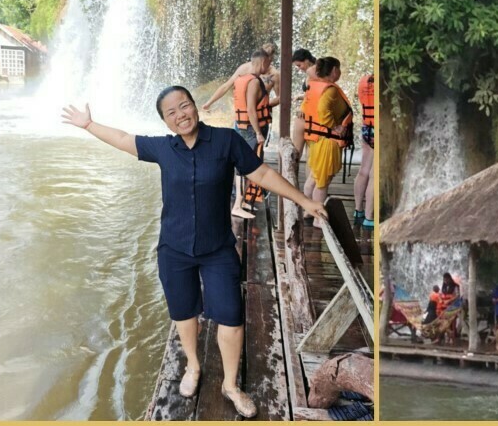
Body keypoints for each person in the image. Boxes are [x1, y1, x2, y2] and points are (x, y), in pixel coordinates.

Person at [61, 86, 327, 419]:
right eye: (171, 112)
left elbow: (261, 172)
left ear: (195, 107)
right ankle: (193, 365)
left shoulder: (225, 141)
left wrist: (304, 200)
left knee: (231, 316)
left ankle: (230, 385)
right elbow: (123, 138)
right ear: (165, 121)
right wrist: (89, 124)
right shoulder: (164, 148)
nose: (180, 115)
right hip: (174, 250)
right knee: (184, 313)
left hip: (218, 248)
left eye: (184, 106)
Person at [304, 57, 353, 228]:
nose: (340, 72)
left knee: (313, 178)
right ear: (334, 70)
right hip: (327, 141)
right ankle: (318, 219)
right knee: (322, 182)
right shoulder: (330, 90)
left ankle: (307, 211)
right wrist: (335, 127)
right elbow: (322, 110)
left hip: (316, 139)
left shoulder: (313, 85)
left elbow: (305, 108)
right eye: (339, 69)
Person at [229, 50, 272, 219]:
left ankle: (242, 202)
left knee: (248, 165)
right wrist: (259, 133)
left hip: (244, 127)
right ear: (262, 62)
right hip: (249, 130)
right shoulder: (253, 82)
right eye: (268, 63)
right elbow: (251, 110)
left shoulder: (244, 79)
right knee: (243, 166)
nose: (269, 66)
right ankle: (237, 205)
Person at [201, 42, 282, 113]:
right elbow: (226, 86)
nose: (266, 63)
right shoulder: (244, 69)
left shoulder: (275, 75)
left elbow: (280, 98)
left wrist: (263, 105)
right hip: (242, 114)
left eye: (270, 60)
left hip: (261, 115)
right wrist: (208, 103)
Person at [353, 74, 375, 237]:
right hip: (376, 130)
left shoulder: (364, 81)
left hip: (367, 128)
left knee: (363, 171)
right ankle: (369, 217)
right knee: (374, 175)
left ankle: (358, 210)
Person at [291, 49, 318, 156]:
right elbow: (312, 94)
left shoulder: (315, 72)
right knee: (308, 154)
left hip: (311, 117)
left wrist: (303, 108)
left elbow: (317, 95)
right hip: (309, 115)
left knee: (296, 153)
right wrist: (300, 97)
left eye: (299, 65)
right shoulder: (315, 70)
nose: (299, 68)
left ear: (307, 60)